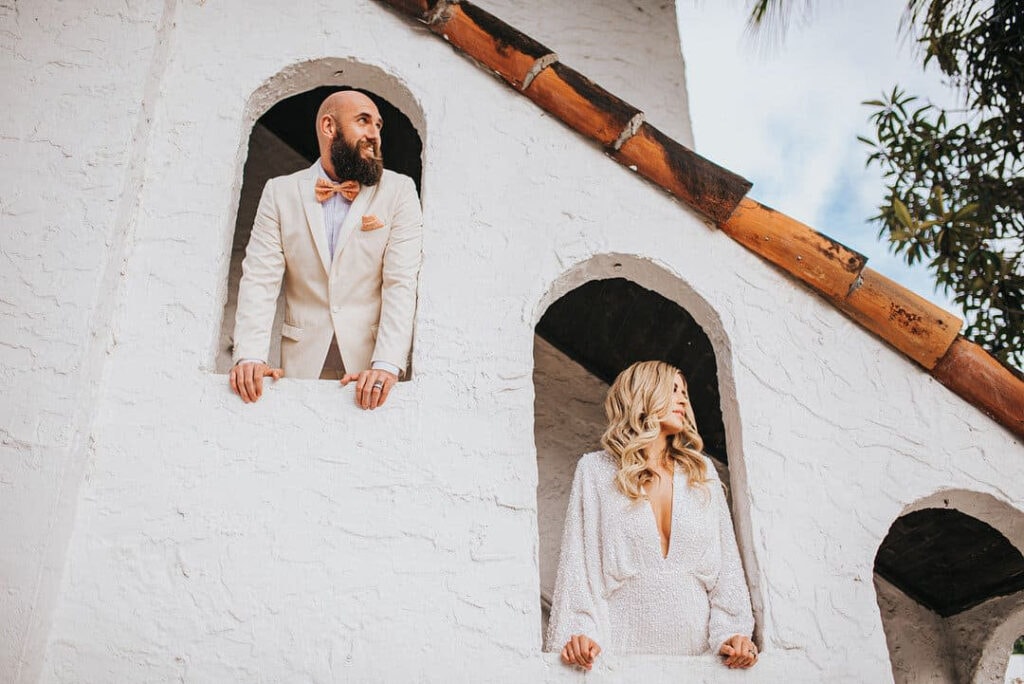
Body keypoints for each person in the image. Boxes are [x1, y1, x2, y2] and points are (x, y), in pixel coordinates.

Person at [546, 360, 757, 670]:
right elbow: (578, 566)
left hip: (700, 662)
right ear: (643, 395)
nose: (683, 399)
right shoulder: (596, 471)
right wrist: (578, 634)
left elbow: (728, 572)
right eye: (672, 390)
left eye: (684, 391)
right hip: (619, 654)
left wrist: (734, 633)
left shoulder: (701, 473)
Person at [229, 90, 423, 409]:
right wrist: (249, 356)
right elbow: (260, 279)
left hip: (371, 369)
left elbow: (401, 283)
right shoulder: (279, 193)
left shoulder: (400, 191)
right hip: (300, 366)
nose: (374, 133)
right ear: (329, 127)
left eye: (378, 125)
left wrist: (386, 364)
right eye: (363, 121)